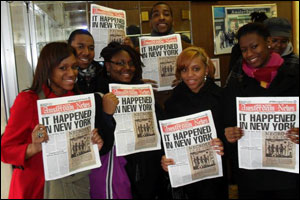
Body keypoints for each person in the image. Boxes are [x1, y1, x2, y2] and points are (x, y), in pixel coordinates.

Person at [0, 42, 105, 199]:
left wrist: (93, 145)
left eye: (74, 67)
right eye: (63, 68)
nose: (71, 73)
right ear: (48, 70)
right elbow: (5, 151)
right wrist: (34, 148)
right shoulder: (28, 100)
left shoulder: (77, 100)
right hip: (36, 189)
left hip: (70, 187)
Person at [224, 22, 299, 199]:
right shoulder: (237, 80)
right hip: (252, 175)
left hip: (288, 174)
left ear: (268, 42)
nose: (249, 54)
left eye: (254, 46)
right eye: (244, 50)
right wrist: (228, 134)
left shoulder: (294, 75)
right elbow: (226, 121)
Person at [90, 42, 165, 199]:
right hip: (119, 172)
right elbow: (100, 147)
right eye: (120, 63)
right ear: (108, 67)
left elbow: (161, 127)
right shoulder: (98, 97)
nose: (127, 68)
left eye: (131, 63)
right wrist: (107, 114)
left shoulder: (143, 91)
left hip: (149, 171)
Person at [161, 46, 228, 199]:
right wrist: (165, 159)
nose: (189, 75)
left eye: (196, 69)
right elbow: (167, 142)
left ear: (206, 69)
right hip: (186, 180)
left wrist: (223, 142)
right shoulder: (172, 102)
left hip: (214, 177)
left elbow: (231, 135)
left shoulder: (221, 97)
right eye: (184, 70)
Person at [68, 29, 103, 94]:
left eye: (91, 48)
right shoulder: (64, 75)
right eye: (80, 47)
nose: (86, 53)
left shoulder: (102, 72)